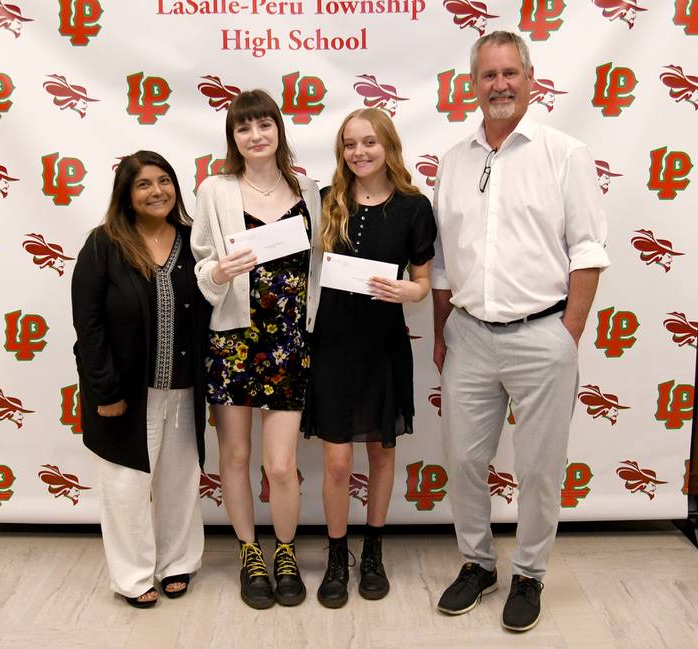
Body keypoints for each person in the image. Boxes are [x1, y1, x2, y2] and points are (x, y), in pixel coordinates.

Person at [431, 31, 609, 632]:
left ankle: (529, 574)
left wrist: (569, 332)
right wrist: (440, 333)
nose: (500, 85)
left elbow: (588, 249)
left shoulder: (564, 152)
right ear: (472, 85)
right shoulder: (454, 161)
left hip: (542, 336)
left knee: (538, 467)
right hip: (468, 335)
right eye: (488, 75)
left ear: (530, 79)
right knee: (462, 459)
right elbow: (439, 262)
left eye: (510, 73)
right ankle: (478, 564)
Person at [190, 89, 322, 609]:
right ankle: (250, 552)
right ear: (234, 138)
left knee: (282, 463)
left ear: (278, 130)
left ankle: (284, 551)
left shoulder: (307, 189)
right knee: (236, 456)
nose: (256, 135)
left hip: (291, 341)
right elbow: (202, 259)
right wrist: (218, 271)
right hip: (233, 340)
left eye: (264, 125)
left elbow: (320, 262)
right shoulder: (215, 190)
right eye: (244, 128)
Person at [304, 108, 436, 608]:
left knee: (382, 453)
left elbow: (425, 284)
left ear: (389, 146)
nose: (358, 152)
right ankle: (339, 554)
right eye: (349, 144)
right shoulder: (325, 202)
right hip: (333, 347)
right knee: (337, 464)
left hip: (383, 346)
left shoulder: (414, 207)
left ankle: (374, 548)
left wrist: (410, 291)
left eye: (369, 142)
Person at [71, 151, 209, 608]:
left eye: (165, 181)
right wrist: (104, 391)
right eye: (144, 184)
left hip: (186, 389)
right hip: (126, 394)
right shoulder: (103, 244)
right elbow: (88, 326)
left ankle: (177, 564)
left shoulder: (194, 241)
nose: (157, 192)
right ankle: (133, 578)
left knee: (180, 481)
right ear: (126, 195)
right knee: (126, 486)